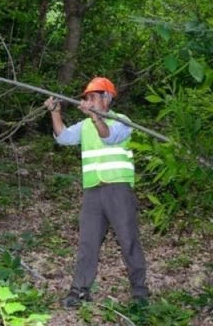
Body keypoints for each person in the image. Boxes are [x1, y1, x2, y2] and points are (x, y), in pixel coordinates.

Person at [44, 77, 149, 308]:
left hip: (118, 189)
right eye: (87, 98)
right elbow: (62, 137)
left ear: (107, 98)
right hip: (93, 193)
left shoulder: (122, 121)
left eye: (93, 96)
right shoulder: (84, 126)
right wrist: (55, 112)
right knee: (87, 242)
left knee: (128, 240)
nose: (88, 101)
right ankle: (79, 290)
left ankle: (140, 292)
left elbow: (109, 136)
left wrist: (95, 117)